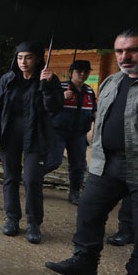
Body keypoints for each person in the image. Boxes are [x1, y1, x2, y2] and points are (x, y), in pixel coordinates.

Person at [45, 27, 138, 275]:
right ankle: (84, 263)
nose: (125, 56)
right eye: (120, 50)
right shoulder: (111, 82)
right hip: (107, 163)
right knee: (88, 211)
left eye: (133, 50)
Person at [0, 41, 62, 244]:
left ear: (37, 59)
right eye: (20, 57)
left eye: (28, 57)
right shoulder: (8, 79)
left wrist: (49, 87)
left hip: (36, 135)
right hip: (10, 135)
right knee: (10, 178)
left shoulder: (48, 79)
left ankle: (34, 223)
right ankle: (12, 218)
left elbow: (55, 108)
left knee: (33, 179)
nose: (23, 61)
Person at [43, 60, 97, 205]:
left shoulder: (89, 91)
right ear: (71, 72)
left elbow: (93, 111)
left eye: (86, 71)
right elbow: (47, 105)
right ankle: (33, 179)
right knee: (54, 161)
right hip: (57, 131)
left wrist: (96, 121)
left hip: (79, 134)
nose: (82, 74)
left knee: (79, 165)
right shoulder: (60, 87)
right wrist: (61, 97)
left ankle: (74, 193)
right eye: (79, 71)